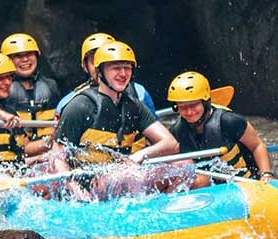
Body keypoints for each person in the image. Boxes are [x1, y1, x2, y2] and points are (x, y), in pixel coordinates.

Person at [50, 42, 180, 199]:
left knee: (183, 166)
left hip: (124, 175)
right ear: (100, 72)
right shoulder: (79, 106)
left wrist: (139, 155)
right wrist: (73, 186)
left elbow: (171, 144)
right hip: (91, 185)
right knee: (124, 176)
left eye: (127, 68)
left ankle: (159, 213)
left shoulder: (133, 105)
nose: (123, 74)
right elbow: (57, 155)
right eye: (116, 68)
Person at [167, 71, 274, 187]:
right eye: (182, 107)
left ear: (205, 102)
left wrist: (266, 174)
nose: (189, 112)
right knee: (195, 181)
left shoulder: (229, 122)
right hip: (212, 186)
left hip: (244, 181)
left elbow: (257, 145)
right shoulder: (176, 132)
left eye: (193, 105)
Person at [54, 32, 157, 118]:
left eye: (109, 62)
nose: (100, 67)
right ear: (85, 67)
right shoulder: (68, 103)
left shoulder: (139, 93)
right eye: (95, 61)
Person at [0, 33, 60, 141]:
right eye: (18, 56)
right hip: (20, 150)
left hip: (48, 150)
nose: (25, 60)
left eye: (29, 54)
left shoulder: (51, 86)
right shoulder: (1, 90)